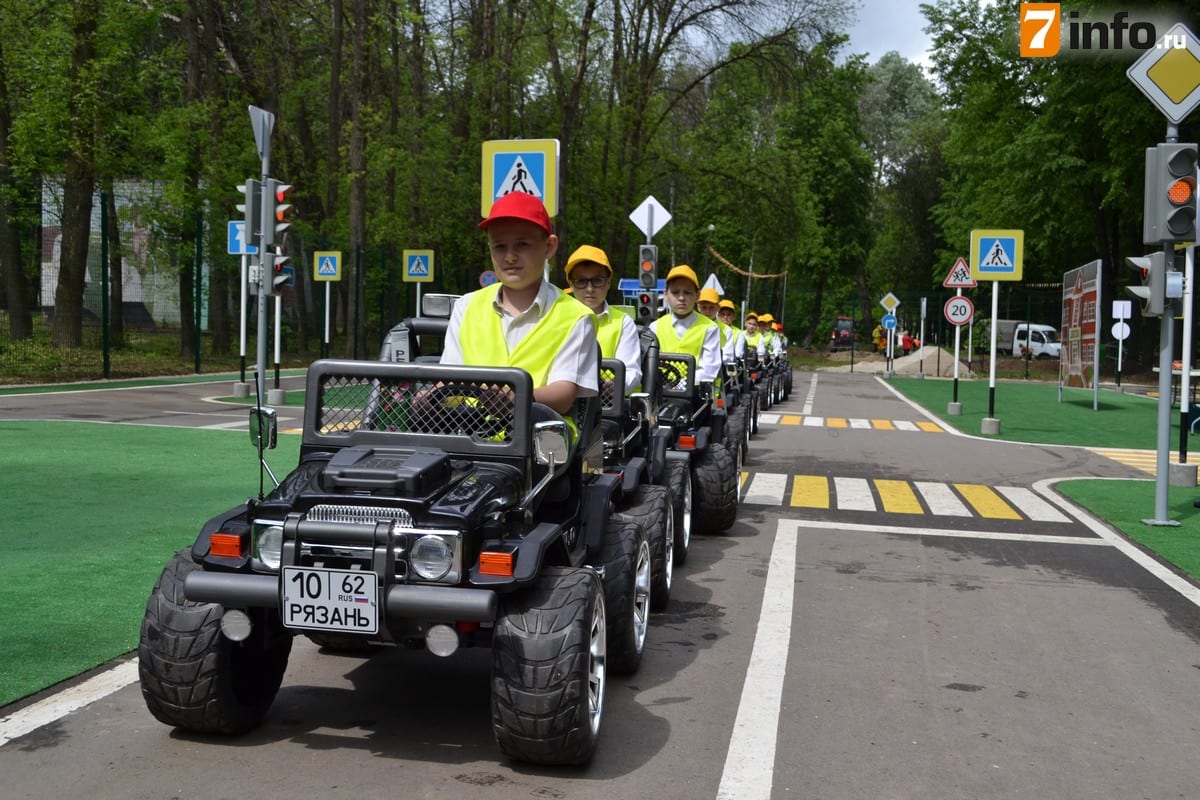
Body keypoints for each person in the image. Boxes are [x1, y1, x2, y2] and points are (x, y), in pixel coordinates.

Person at [440, 191, 598, 436]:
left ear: (549, 246)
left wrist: (518, 397)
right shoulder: (466, 306)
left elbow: (564, 394)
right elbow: (447, 381)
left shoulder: (576, 316)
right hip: (467, 433)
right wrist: (427, 398)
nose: (510, 256)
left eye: (522, 244)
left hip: (543, 442)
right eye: (499, 247)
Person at [565, 244, 642, 392]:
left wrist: (616, 385)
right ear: (571, 284)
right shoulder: (558, 319)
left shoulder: (623, 322)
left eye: (597, 281)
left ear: (608, 282)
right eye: (581, 281)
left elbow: (632, 372)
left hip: (609, 407)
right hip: (562, 406)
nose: (589, 289)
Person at [652, 265, 723, 385]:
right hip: (660, 391)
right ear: (665, 294)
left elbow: (709, 370)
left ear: (697, 295)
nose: (681, 298)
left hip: (696, 393)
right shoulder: (654, 327)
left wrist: (681, 384)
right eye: (675, 292)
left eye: (687, 293)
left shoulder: (710, 328)